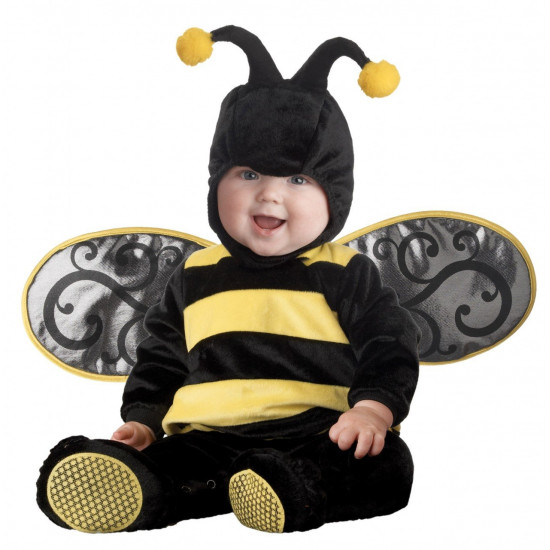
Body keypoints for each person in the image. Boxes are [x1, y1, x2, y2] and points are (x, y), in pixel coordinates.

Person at [36, 25, 420, 534]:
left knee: (387, 464)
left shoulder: (346, 271)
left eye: (298, 179)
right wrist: (144, 420)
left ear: (336, 194)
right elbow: (163, 356)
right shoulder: (195, 273)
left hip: (318, 433)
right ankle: (134, 484)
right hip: (209, 436)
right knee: (175, 466)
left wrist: (372, 410)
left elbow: (388, 343)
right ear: (217, 181)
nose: (269, 195)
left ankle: (292, 488)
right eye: (248, 174)